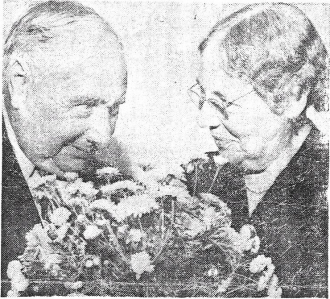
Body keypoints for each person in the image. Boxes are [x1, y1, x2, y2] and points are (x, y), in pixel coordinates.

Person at [187, 3, 328, 297]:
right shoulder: (199, 181)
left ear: (292, 97)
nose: (204, 120)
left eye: (222, 103)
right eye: (202, 97)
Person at [2, 0, 127, 284]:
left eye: (114, 108)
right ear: (19, 83)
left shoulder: (113, 187)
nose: (103, 135)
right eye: (84, 105)